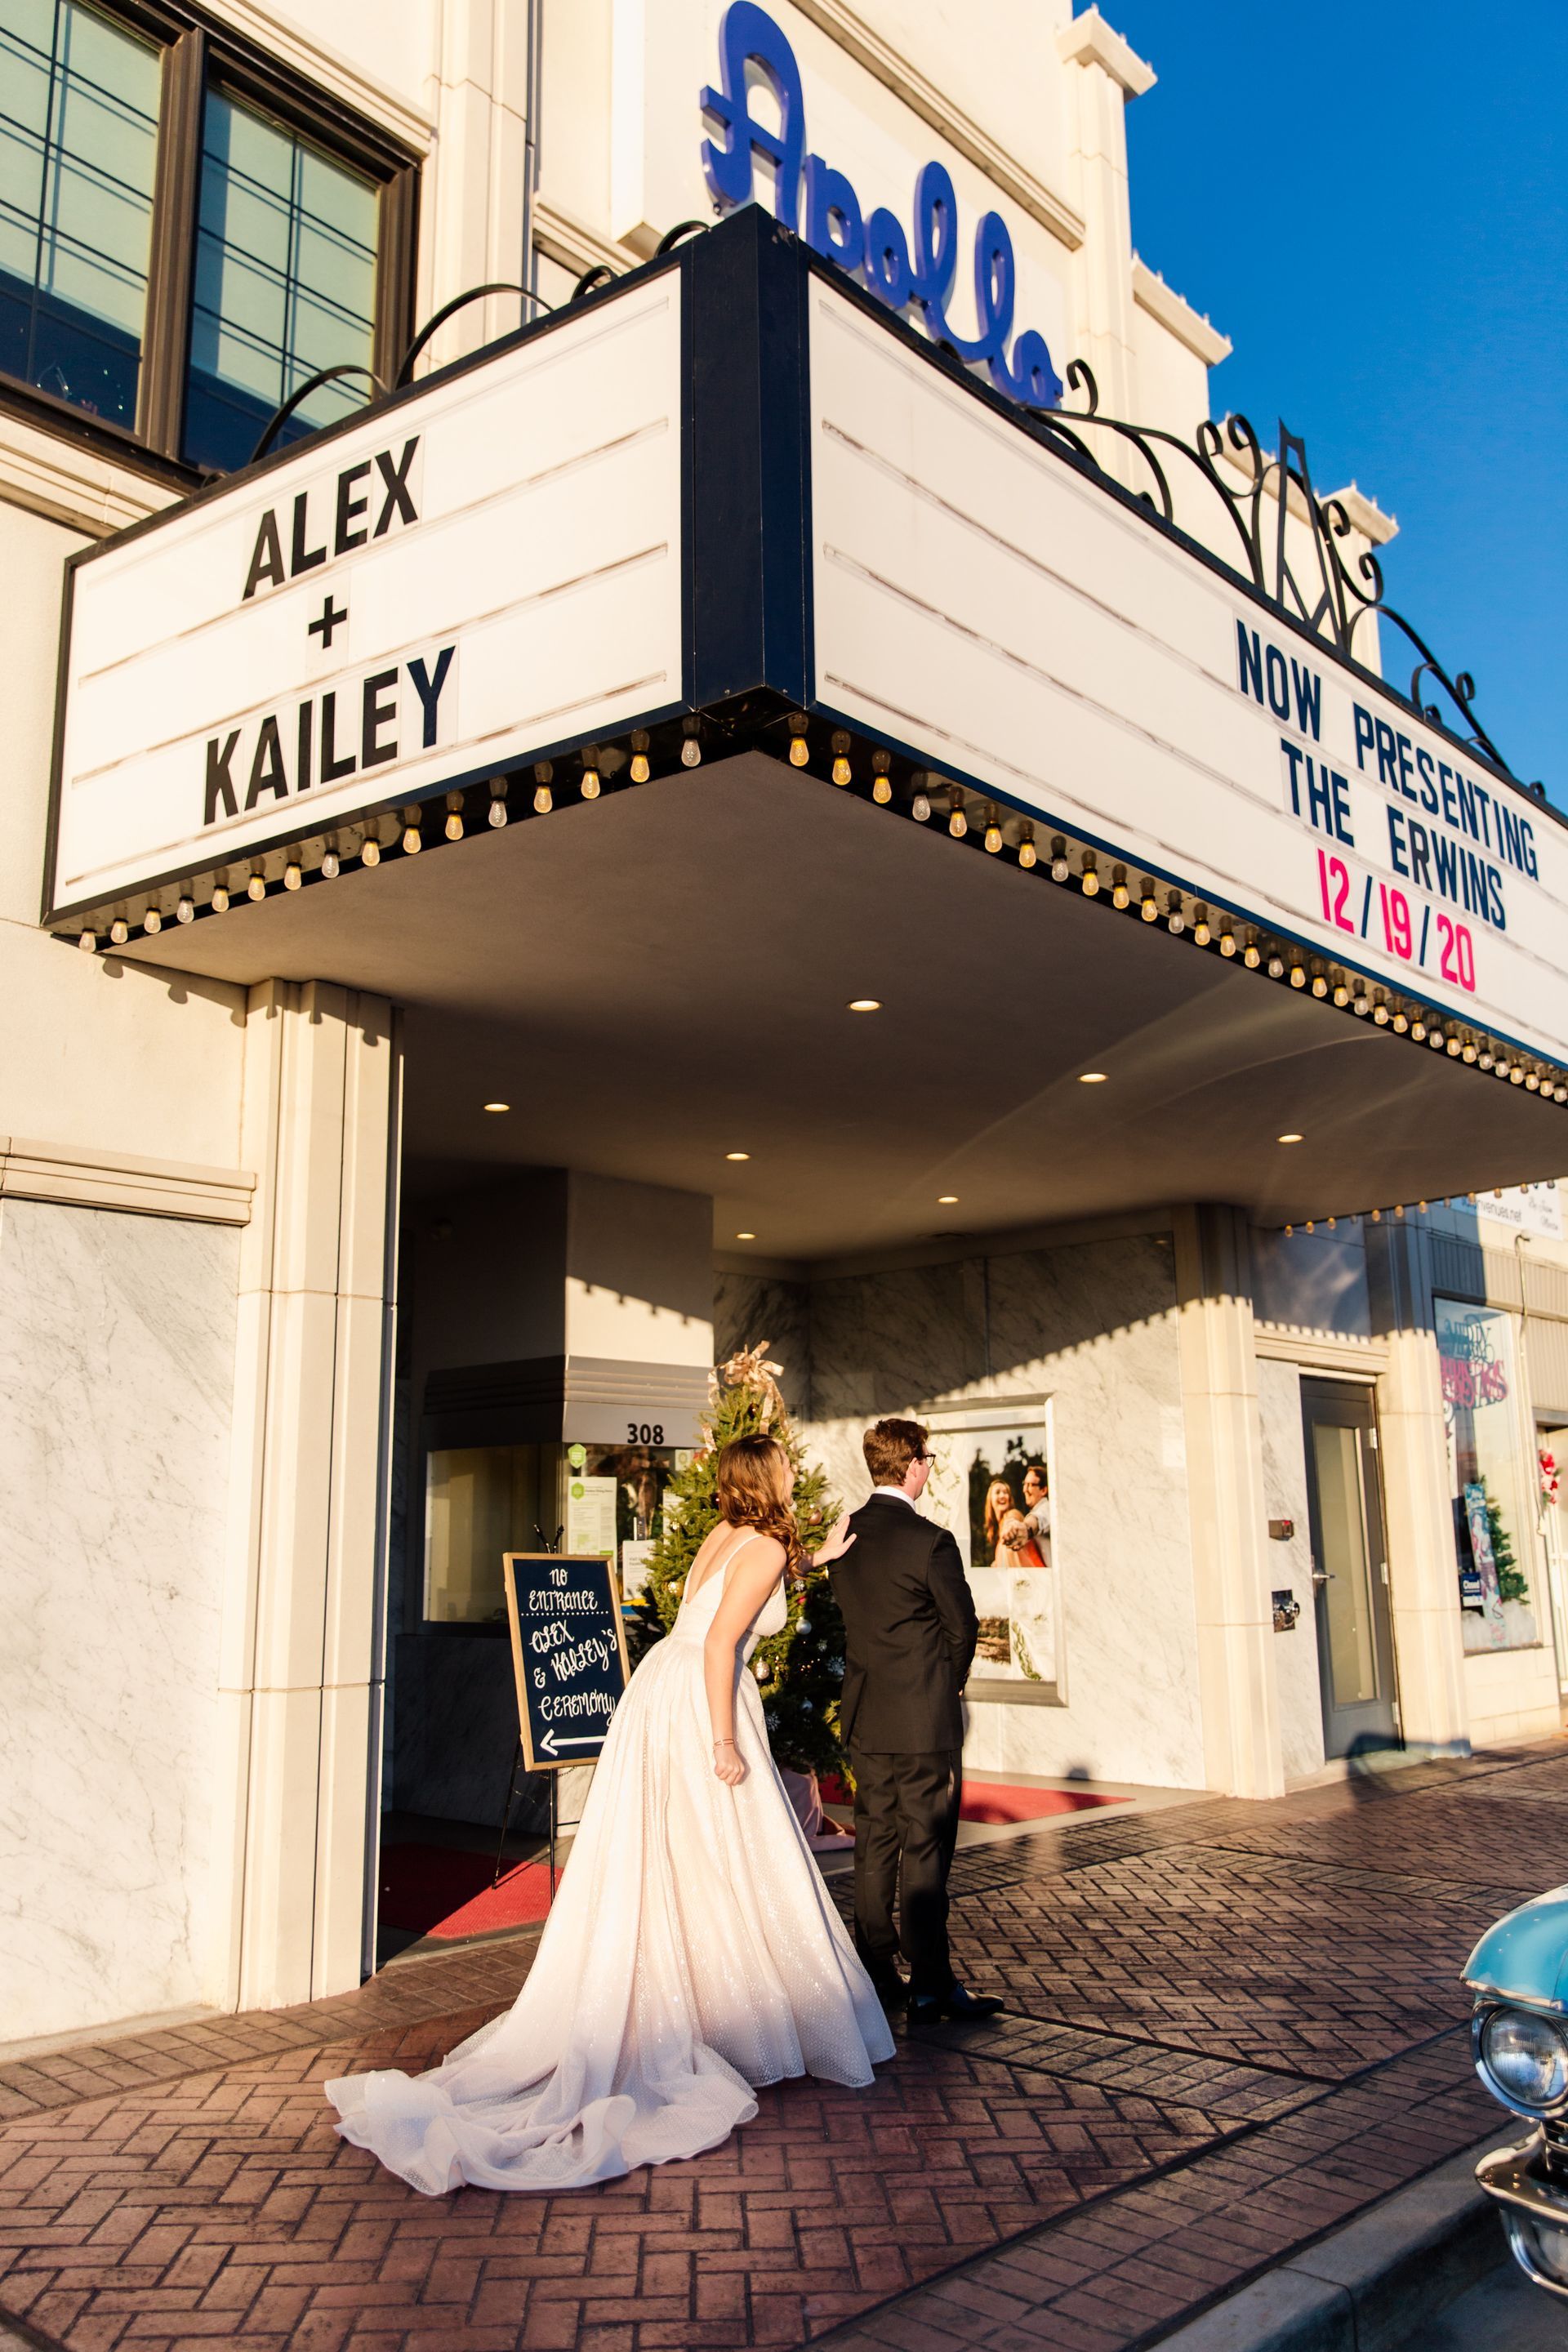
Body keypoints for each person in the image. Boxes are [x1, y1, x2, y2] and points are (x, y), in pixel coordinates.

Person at [325, 1434, 893, 2194]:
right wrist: (724, 1741)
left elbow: (720, 1609)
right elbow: (724, 1642)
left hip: (662, 1692)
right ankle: (732, 2018)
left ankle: (706, 2002)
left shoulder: (729, 1535)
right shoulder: (758, 1544)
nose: (794, 1473)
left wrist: (811, 1561)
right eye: (786, 1466)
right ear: (770, 1478)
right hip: (703, 1702)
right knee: (726, 1854)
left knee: (677, 1856)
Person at [828, 1418, 1002, 2022]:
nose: (930, 1466)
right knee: (926, 1849)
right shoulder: (931, 1541)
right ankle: (930, 1981)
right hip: (924, 1721)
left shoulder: (845, 1534)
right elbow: (963, 1628)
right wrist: (946, 1683)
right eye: (927, 1457)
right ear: (914, 1465)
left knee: (875, 1843)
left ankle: (876, 1974)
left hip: (867, 1716)